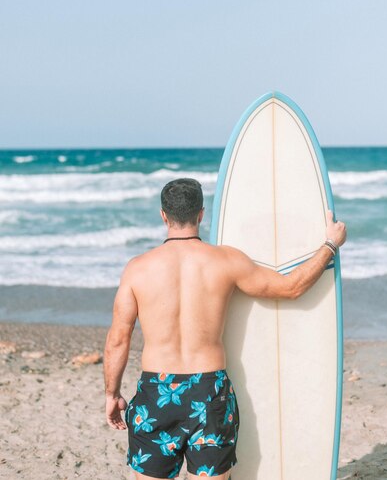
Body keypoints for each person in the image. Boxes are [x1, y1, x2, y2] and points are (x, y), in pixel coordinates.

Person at [103, 177, 347, 480]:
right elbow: (290, 287)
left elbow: (118, 339)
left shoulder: (137, 268)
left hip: (156, 393)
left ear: (163, 215)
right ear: (201, 214)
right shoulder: (226, 260)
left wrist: (112, 393)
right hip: (209, 393)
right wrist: (330, 244)